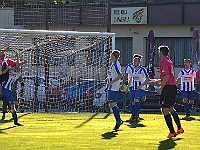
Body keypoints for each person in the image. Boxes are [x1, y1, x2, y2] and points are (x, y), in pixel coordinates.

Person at [156, 45, 184, 138]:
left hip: (167, 88)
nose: (158, 53)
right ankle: (179, 128)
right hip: (173, 87)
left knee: (164, 109)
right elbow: (169, 77)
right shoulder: (170, 61)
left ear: (161, 53)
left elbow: (167, 76)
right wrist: (156, 81)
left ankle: (172, 132)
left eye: (159, 51)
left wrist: (160, 88)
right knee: (171, 108)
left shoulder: (163, 61)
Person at [126, 54, 150, 122]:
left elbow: (148, 79)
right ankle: (134, 115)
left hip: (140, 88)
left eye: (135, 61)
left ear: (139, 62)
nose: (134, 62)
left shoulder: (142, 69)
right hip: (133, 88)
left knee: (136, 100)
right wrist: (128, 87)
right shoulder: (133, 70)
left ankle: (136, 116)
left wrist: (141, 85)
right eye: (134, 61)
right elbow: (131, 79)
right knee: (133, 102)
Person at [105, 50, 123, 130]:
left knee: (112, 104)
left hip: (113, 87)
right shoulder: (113, 64)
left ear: (114, 56)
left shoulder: (116, 64)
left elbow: (120, 75)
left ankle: (118, 121)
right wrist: (107, 79)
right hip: (111, 87)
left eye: (111, 54)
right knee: (112, 104)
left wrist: (111, 82)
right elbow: (112, 74)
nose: (110, 56)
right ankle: (119, 120)